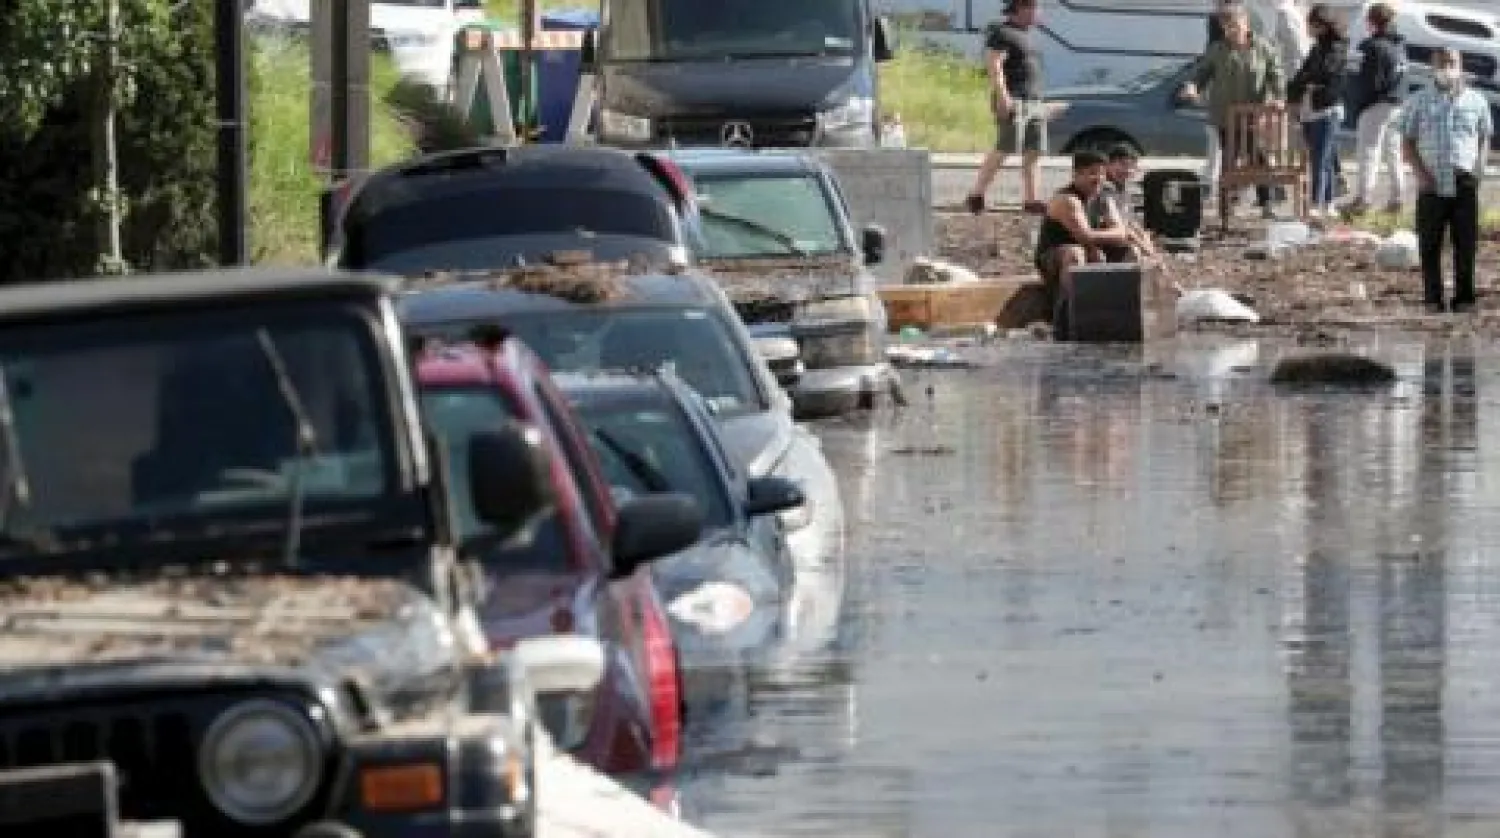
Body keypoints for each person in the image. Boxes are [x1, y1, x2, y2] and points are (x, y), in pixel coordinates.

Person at [1400, 48, 1491, 313]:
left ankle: (1464, 299)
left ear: (1460, 65)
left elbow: (1484, 137)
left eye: (1452, 62)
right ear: (1432, 65)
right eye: (1442, 63)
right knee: (1429, 245)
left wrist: (1478, 171)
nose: (1447, 67)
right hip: (1432, 184)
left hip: (1464, 182)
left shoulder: (1476, 101)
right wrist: (1420, 174)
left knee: (1466, 244)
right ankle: (1433, 299)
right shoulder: (1418, 100)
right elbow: (1407, 141)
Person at [1180, 5, 1286, 219]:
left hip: (1254, 114)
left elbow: (1276, 75)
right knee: (1230, 158)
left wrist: (1278, 97)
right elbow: (1202, 73)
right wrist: (1193, 87)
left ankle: (1267, 203)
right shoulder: (1218, 49)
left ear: (1246, 23)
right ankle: (1226, 208)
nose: (1232, 31)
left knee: (1258, 157)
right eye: (1227, 27)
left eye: (1235, 26)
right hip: (1226, 115)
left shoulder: (1263, 48)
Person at [1034, 151, 1138, 335]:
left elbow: (1121, 232)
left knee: (1132, 252)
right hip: (1055, 257)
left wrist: (1101, 241)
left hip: (1093, 250)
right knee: (1075, 253)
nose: (1098, 179)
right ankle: (1065, 320)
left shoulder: (1103, 197)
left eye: (1102, 173)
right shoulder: (1067, 200)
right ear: (1076, 175)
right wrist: (1101, 241)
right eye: (1092, 173)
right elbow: (1085, 236)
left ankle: (1127, 315)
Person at [966, 0, 1046, 216]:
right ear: (1021, 8)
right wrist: (1003, 96)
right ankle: (976, 194)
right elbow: (994, 64)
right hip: (1014, 98)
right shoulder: (1002, 33)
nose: (1038, 12)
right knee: (1005, 147)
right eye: (1034, 8)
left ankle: (1031, 199)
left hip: (1034, 100)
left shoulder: (1028, 35)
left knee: (1034, 151)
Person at [1345, 2, 1408, 216]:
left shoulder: (1372, 46)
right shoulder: (1399, 45)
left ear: (1371, 22)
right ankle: (1398, 197)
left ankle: (1364, 198)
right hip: (1398, 103)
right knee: (1393, 152)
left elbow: (1367, 81)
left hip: (1376, 104)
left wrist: (1358, 104)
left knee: (1369, 152)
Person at [1286, 4, 1348, 218]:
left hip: (1327, 110)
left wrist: (1308, 82)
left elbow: (1326, 76)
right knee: (1324, 158)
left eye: (1309, 24)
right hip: (1311, 109)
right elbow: (1301, 78)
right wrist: (1306, 83)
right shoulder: (1317, 49)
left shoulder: (1336, 49)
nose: (1306, 28)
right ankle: (1328, 203)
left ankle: (1316, 203)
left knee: (1320, 158)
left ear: (1321, 25)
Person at [1101, 144, 1158, 259]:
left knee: (1144, 239)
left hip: (1119, 235)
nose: (1127, 170)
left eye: (1131, 166)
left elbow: (1130, 222)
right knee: (1134, 252)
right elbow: (1117, 227)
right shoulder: (1103, 189)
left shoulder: (1125, 188)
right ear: (1108, 165)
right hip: (1101, 238)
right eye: (1123, 165)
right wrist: (1148, 251)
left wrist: (1147, 243)